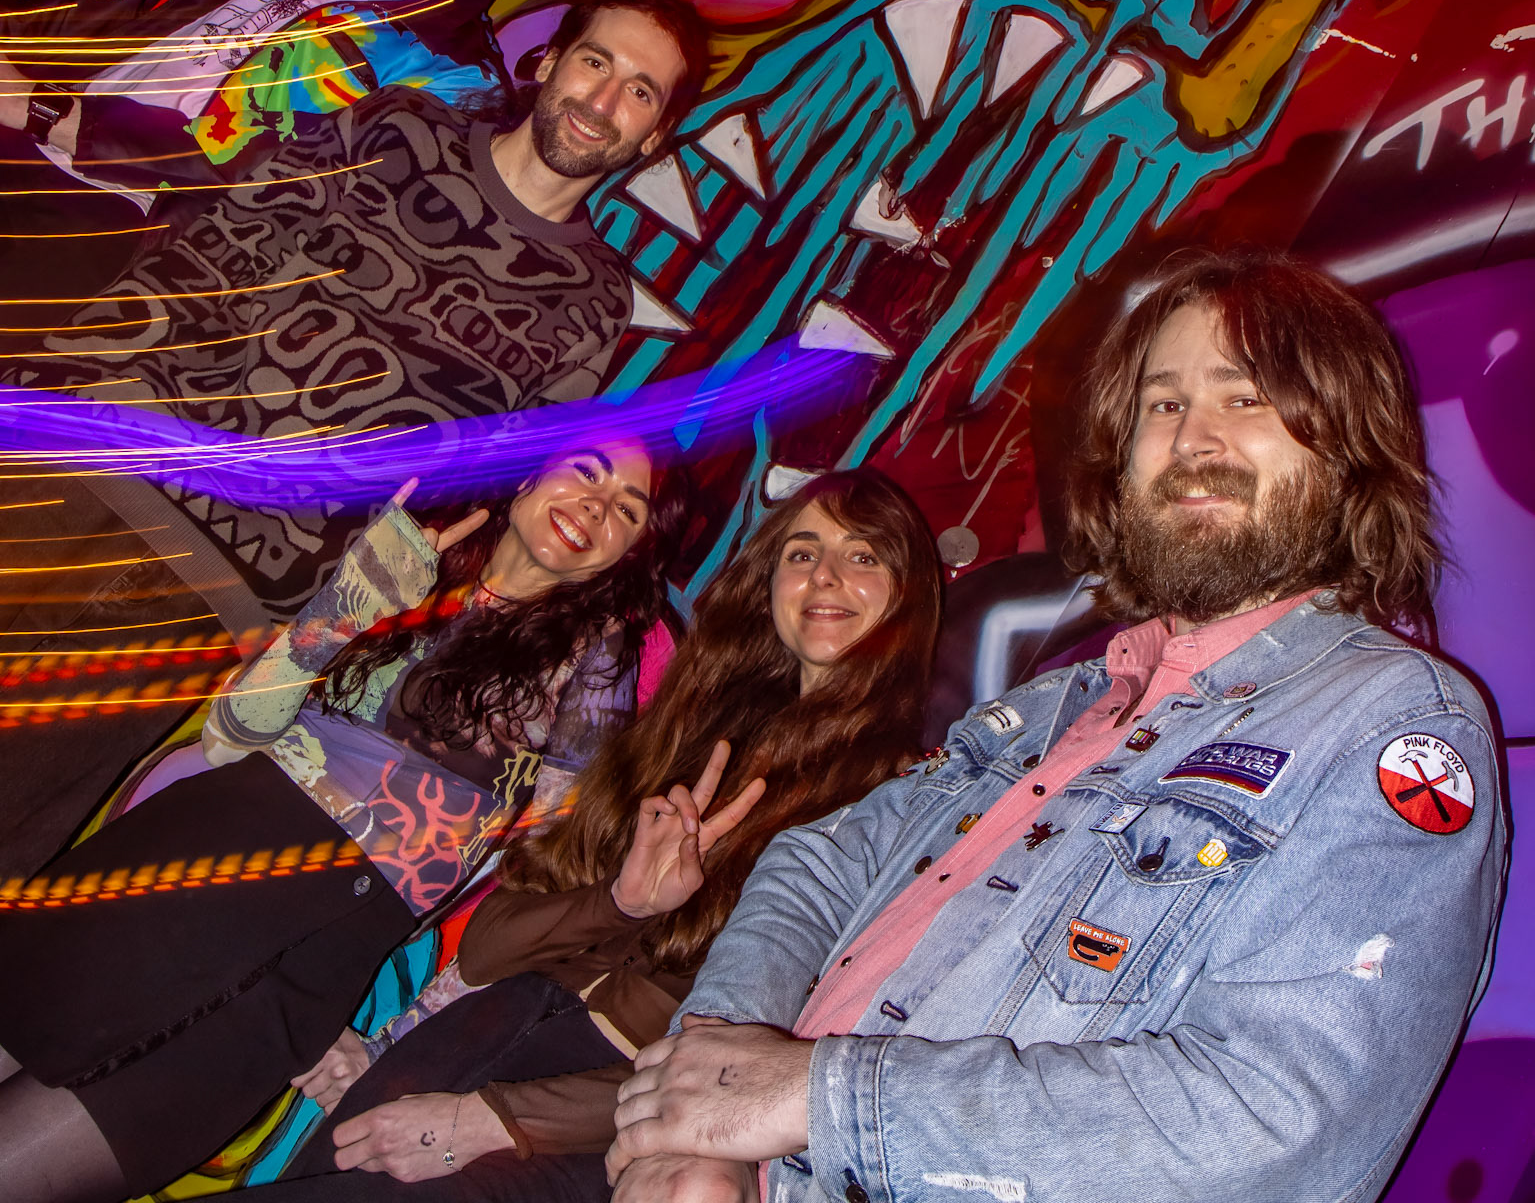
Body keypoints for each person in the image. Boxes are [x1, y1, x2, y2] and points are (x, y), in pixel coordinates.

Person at [604, 251, 1509, 1203]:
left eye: (1244, 398)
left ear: (1349, 446)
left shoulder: (1391, 721)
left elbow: (1275, 1122)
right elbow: (818, 862)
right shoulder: (1056, 703)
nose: (1191, 438)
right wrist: (708, 1094)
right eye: (1162, 404)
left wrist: (815, 1100)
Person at [0, 0, 712, 877]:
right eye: (594, 62)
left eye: (638, 91)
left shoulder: (592, 302)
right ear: (549, 63)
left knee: (17, 796)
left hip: (217, 581)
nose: (601, 100)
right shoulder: (397, 127)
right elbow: (215, 230)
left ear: (652, 136)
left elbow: (473, 474)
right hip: (84, 457)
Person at [0, 440, 691, 1203]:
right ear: (531, 473)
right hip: (194, 865)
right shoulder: (412, 563)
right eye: (586, 472)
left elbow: (532, 874)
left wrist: (398, 1029)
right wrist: (347, 604)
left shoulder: (599, 659)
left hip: (316, 956)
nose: (596, 505)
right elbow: (232, 732)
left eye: (627, 510)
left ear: (630, 553)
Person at [254, 468, 944, 1201]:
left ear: (908, 592)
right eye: (802, 552)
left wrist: (502, 1119)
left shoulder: (903, 800)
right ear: (768, 579)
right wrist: (620, 903)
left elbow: (791, 1060)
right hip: (462, 1040)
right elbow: (489, 946)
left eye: (863, 556)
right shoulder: (679, 732)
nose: (825, 575)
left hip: (600, 1129)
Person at [0, 0, 585, 338]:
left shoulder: (455, 84)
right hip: (25, 121)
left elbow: (265, 176)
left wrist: (46, 113)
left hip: (113, 219)